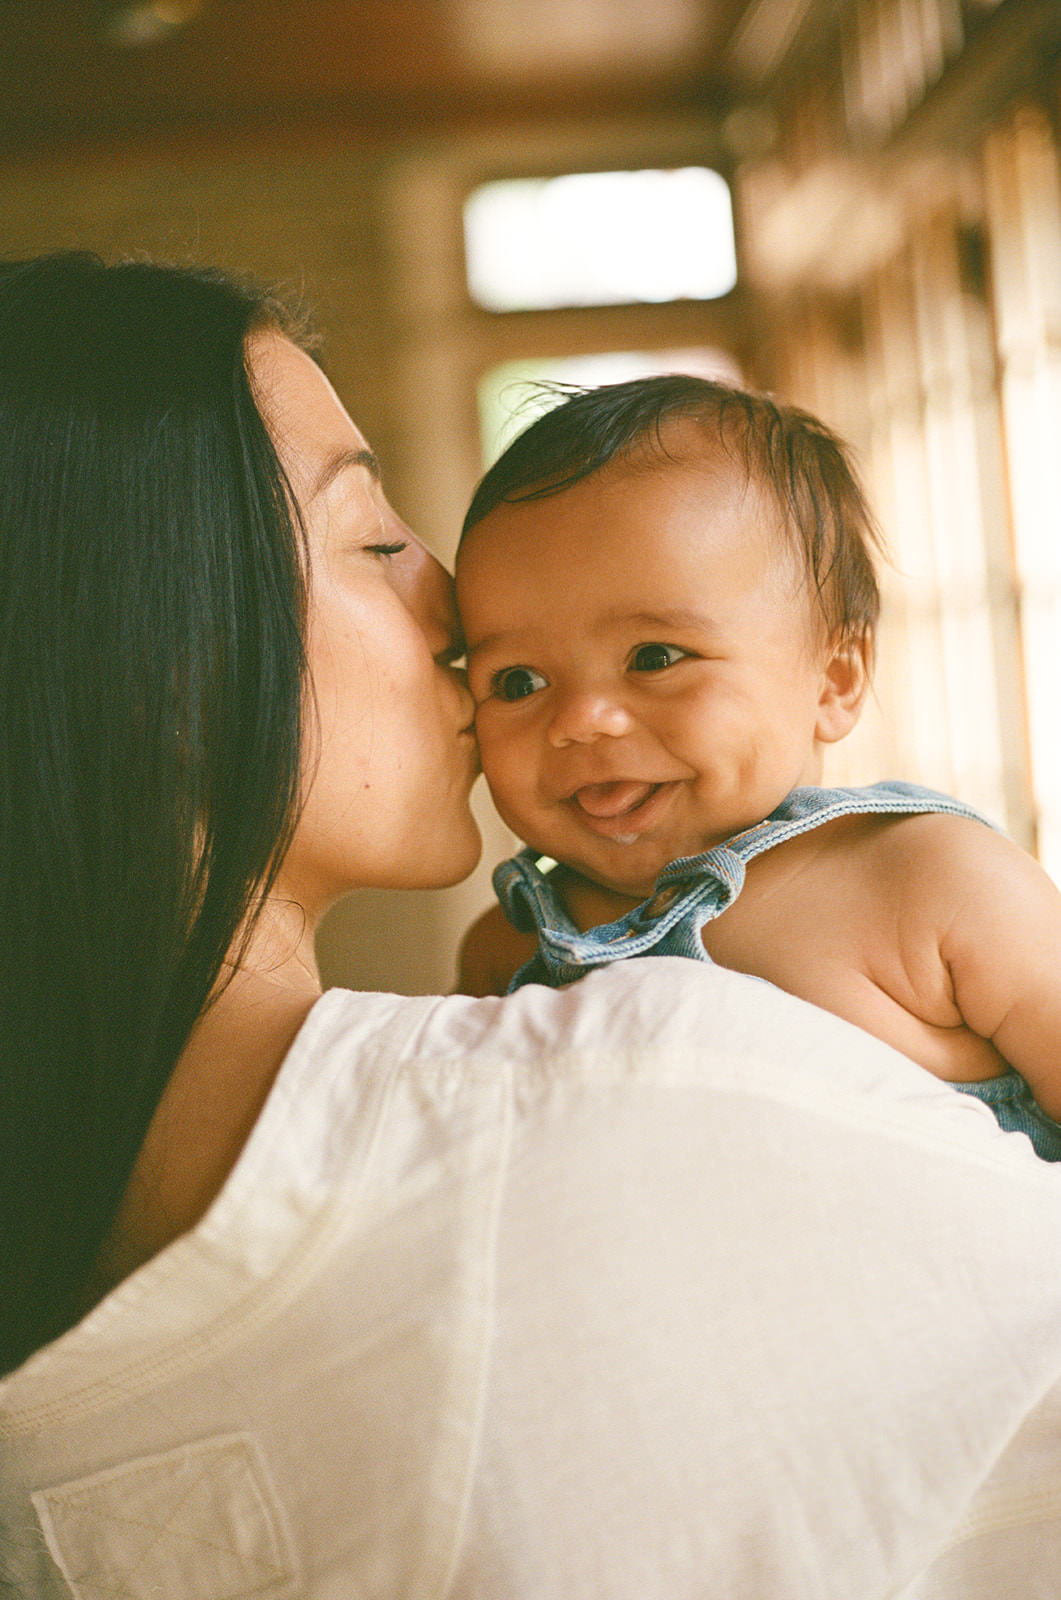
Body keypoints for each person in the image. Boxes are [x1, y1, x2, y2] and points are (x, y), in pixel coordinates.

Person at [3, 255, 1061, 1600]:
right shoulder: (612, 1081)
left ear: (834, 672)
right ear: (166, 667)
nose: (451, 607)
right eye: (374, 538)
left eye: (658, 655)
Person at [455, 376, 1061, 1161]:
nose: (578, 720)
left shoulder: (931, 883)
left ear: (833, 679)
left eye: (654, 657)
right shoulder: (507, 950)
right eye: (517, 683)